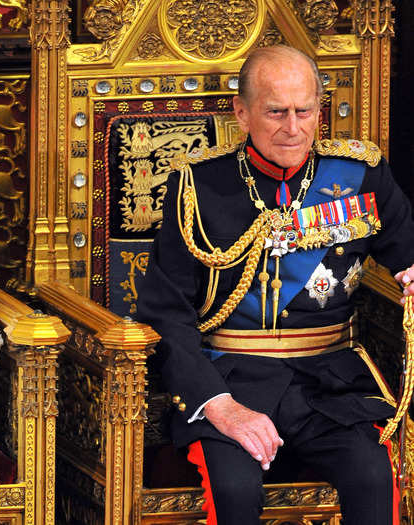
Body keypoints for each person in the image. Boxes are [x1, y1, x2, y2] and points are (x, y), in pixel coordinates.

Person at [137, 44, 414, 525]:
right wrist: (218, 405)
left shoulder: (360, 174)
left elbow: (407, 253)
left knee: (375, 478)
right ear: (242, 113)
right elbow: (166, 312)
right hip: (232, 381)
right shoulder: (199, 186)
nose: (293, 128)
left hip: (332, 381)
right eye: (276, 112)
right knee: (234, 492)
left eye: (304, 111)